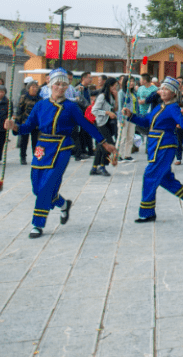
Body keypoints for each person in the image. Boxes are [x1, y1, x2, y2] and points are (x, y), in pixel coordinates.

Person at [8, 68, 116, 238]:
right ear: (50, 84)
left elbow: (87, 125)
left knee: (47, 185)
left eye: (64, 84)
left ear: (67, 87)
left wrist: (104, 143)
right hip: (42, 147)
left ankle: (37, 224)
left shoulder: (71, 107)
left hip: (62, 148)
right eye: (57, 84)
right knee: (37, 186)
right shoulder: (40, 105)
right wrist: (14, 127)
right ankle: (63, 204)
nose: (60, 87)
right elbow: (27, 127)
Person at [120, 76, 183, 223]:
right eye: (162, 88)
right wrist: (131, 116)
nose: (162, 91)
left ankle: (147, 212)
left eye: (166, 89)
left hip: (165, 146)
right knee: (164, 178)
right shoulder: (160, 106)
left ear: (174, 93)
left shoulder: (173, 107)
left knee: (150, 175)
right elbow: (146, 121)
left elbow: (181, 121)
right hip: (155, 145)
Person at [89, 77, 120, 176]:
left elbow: (115, 108)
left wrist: (116, 97)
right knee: (109, 144)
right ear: (109, 86)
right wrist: (106, 112)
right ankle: (102, 166)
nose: (116, 87)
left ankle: (94, 168)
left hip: (108, 123)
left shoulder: (111, 96)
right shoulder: (102, 96)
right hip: (101, 123)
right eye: (115, 86)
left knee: (100, 146)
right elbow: (94, 110)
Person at [15, 81, 41, 164]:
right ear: (28, 88)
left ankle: (37, 157)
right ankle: (22, 157)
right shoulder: (24, 97)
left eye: (36, 87)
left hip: (36, 123)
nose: (34, 89)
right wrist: (18, 122)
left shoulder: (40, 99)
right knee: (24, 141)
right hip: (25, 122)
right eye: (32, 87)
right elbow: (19, 110)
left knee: (36, 142)